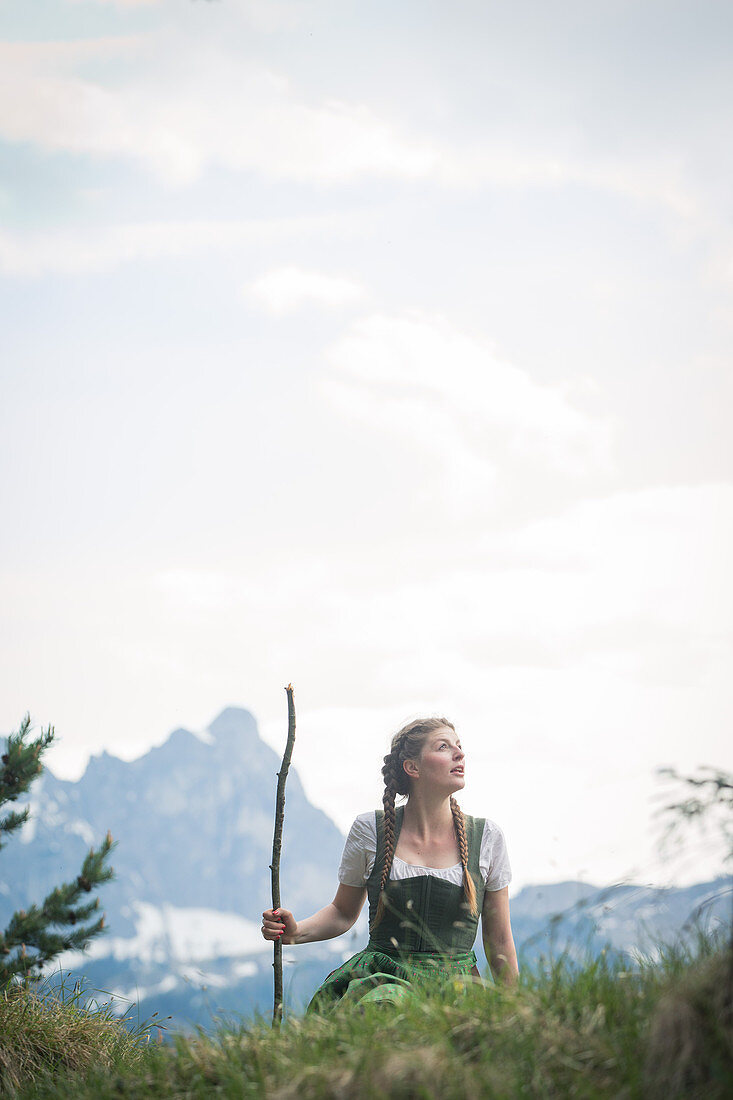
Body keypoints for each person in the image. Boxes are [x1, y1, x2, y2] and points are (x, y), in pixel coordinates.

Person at [261, 716, 519, 1011]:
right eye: (444, 746)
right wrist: (295, 933)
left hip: (456, 986)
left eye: (459, 746)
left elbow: (498, 939)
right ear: (413, 767)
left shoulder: (487, 838)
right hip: (382, 980)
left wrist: (514, 1010)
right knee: (387, 1005)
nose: (459, 754)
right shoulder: (371, 829)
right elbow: (343, 913)